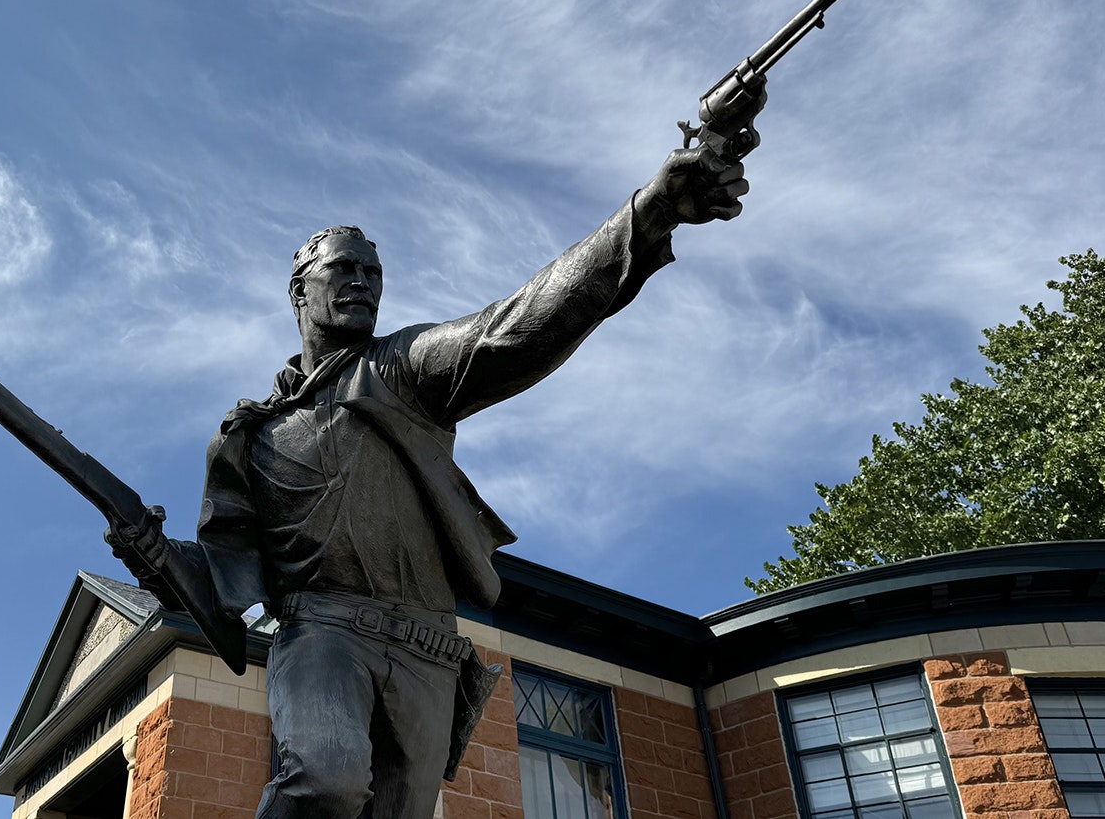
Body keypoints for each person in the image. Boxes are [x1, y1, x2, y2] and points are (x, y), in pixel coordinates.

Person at [108, 144, 751, 819]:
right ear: (300, 290)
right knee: (324, 779)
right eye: (344, 270)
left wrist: (649, 214)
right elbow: (226, 580)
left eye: (373, 273)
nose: (362, 283)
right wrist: (155, 556)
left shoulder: (401, 371)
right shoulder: (250, 438)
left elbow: (518, 328)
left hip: (426, 647)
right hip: (323, 633)